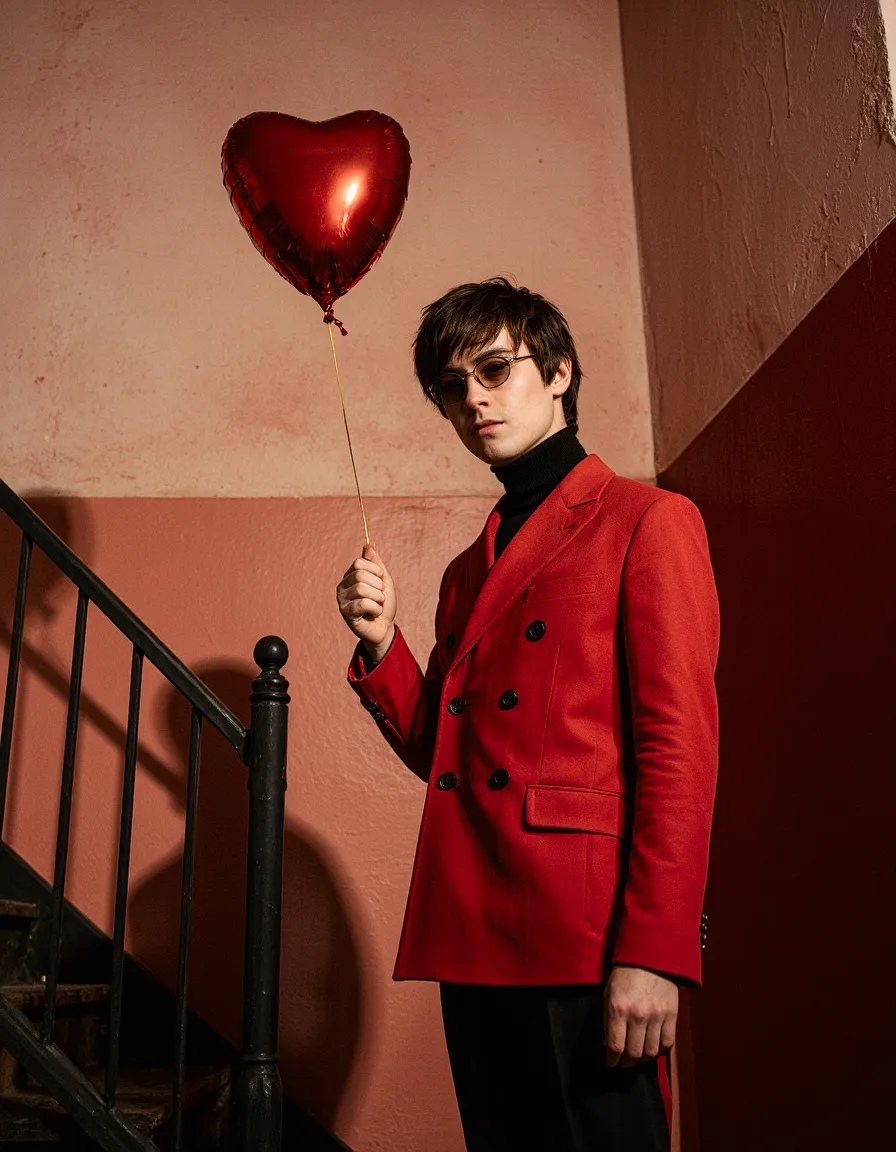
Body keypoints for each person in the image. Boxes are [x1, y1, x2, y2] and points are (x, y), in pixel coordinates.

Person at [336, 278, 719, 1152]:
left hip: (583, 934)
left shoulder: (646, 521)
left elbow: (679, 751)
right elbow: (448, 750)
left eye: (495, 368)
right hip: (474, 926)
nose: (472, 398)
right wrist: (383, 642)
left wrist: (656, 948)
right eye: (451, 386)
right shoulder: (467, 570)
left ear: (557, 372)